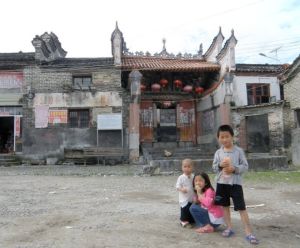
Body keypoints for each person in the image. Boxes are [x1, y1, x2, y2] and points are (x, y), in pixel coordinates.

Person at [212, 124, 259, 245]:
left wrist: (234, 169)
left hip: (235, 184)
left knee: (241, 208)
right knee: (225, 206)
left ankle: (249, 232)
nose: (224, 139)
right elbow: (214, 168)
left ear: (232, 137)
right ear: (218, 138)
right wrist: (219, 166)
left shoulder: (238, 151)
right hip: (222, 184)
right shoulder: (218, 153)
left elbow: (245, 166)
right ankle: (229, 228)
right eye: (222, 137)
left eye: (227, 136)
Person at [176, 158, 195, 227]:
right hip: (184, 197)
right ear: (182, 167)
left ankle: (190, 220)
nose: (187, 168)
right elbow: (177, 186)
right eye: (185, 167)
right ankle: (183, 220)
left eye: (189, 167)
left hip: (191, 196)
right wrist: (181, 189)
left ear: (192, 167)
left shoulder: (193, 176)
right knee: (185, 209)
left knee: (191, 208)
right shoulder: (181, 177)